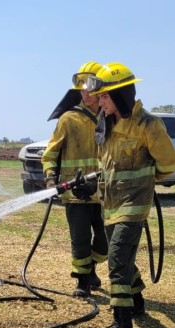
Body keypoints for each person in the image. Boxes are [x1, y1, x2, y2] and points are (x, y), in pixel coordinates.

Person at [84, 63, 175, 328]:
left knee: (116, 260)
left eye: (104, 97)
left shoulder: (147, 125)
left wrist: (146, 179)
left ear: (121, 95)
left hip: (133, 205)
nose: (99, 102)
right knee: (123, 257)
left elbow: (170, 163)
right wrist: (93, 184)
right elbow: (108, 165)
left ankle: (122, 324)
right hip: (110, 203)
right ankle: (136, 302)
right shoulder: (108, 123)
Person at [41, 61, 107, 298]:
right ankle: (82, 281)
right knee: (80, 239)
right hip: (75, 193)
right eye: (81, 88)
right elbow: (51, 153)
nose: (85, 93)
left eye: (90, 88)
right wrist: (50, 179)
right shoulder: (69, 118)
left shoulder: (111, 117)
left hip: (104, 193)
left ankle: (91, 269)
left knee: (105, 240)